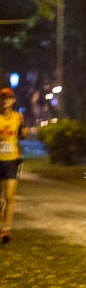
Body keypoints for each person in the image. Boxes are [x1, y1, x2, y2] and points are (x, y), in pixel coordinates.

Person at [0, 87, 27, 243]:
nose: (5, 101)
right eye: (3, 98)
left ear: (13, 100)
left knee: (10, 195)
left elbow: (21, 133)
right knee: (2, 197)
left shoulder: (18, 117)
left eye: (8, 98)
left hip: (11, 160)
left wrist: (24, 133)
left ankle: (6, 230)